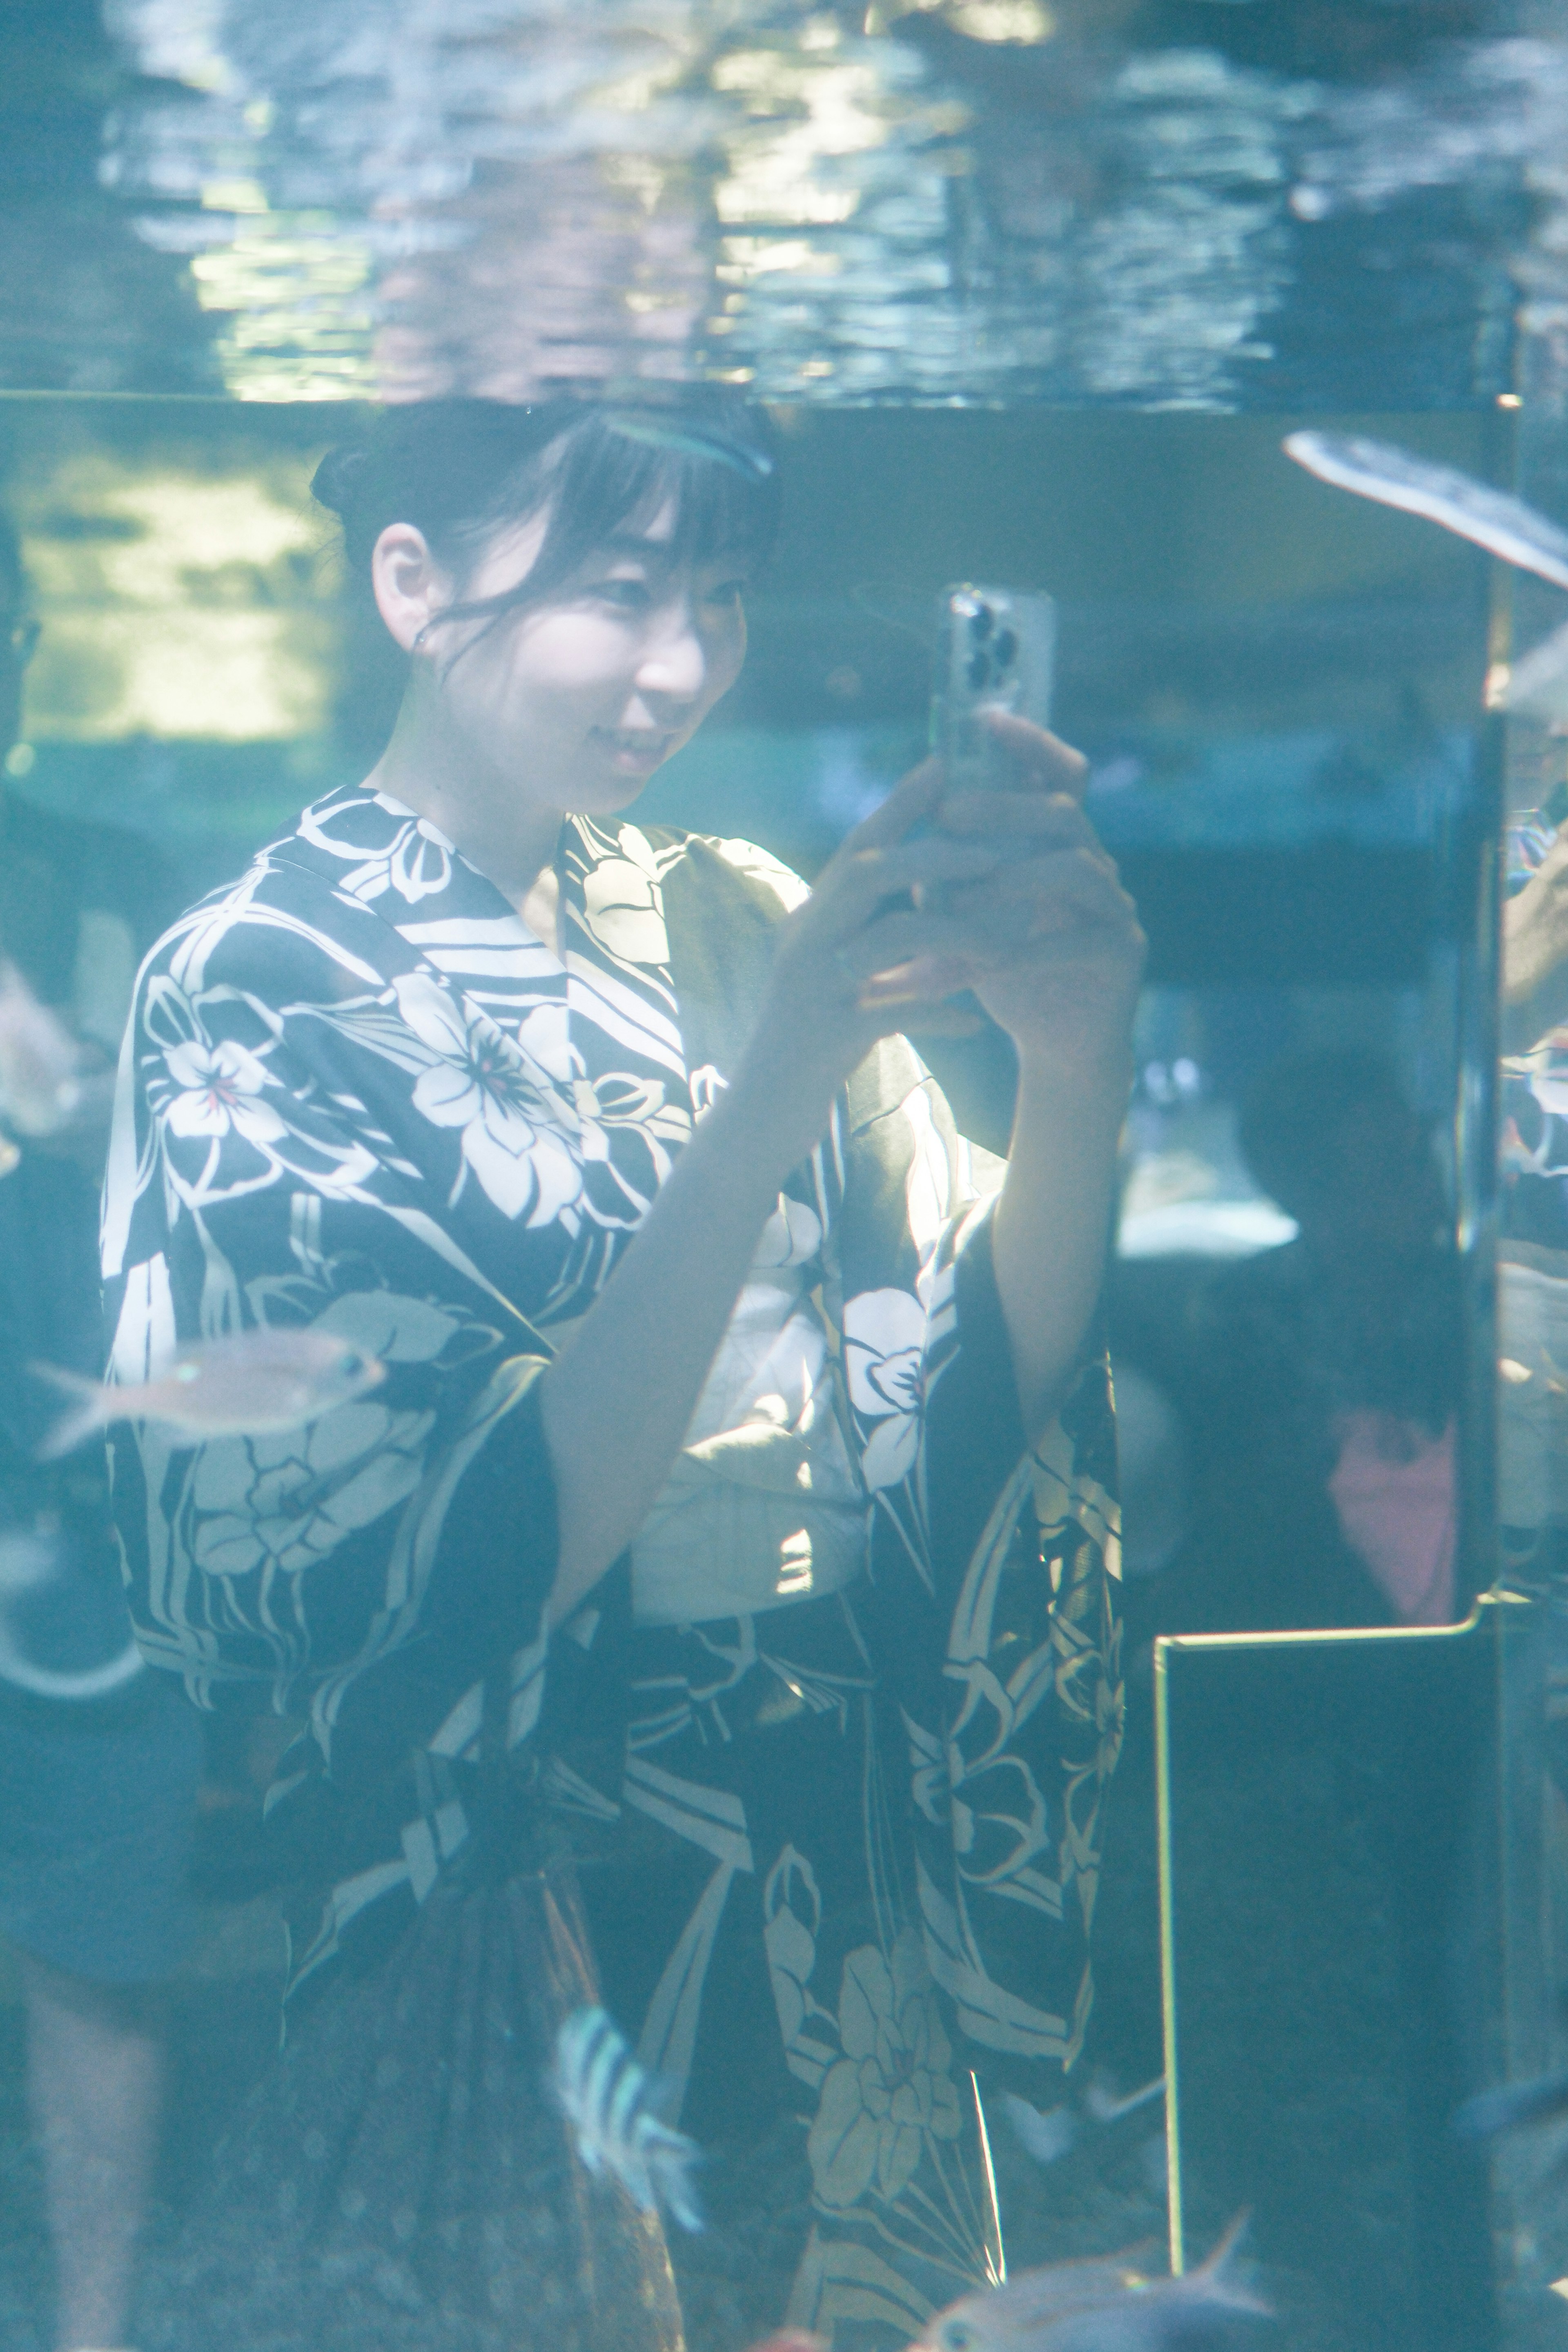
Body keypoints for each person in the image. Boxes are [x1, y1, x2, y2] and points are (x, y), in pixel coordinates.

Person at [104, 396, 1141, 2352]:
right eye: (621, 590)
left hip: (825, 1835)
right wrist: (768, 1090)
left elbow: (964, 1372)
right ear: (414, 583)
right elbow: (422, 1555)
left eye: (724, 599)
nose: (679, 663)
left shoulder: (735, 909)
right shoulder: (259, 973)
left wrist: (1078, 1070)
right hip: (524, 1862)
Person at [0, 514, 204, 2352]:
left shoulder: (123, 886)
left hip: (86, 1503)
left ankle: (92, 2332)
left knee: (96, 1926)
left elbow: (229, 1180)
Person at [1134, 1046, 1460, 1642]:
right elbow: (1236, 1516)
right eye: (1394, 1166)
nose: (1430, 1183)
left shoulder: (1476, 1304)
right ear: (1312, 1196)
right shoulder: (1239, 1315)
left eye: (1425, 1151)